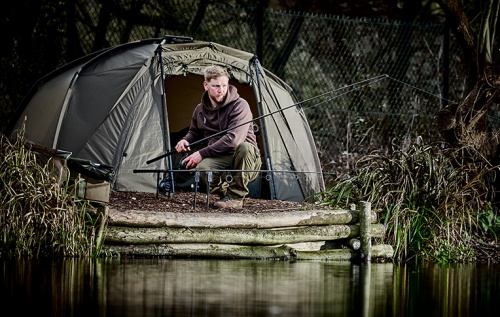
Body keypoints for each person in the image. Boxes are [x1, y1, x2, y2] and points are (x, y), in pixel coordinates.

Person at [175, 65, 262, 208]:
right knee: (202, 167)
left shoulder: (240, 106)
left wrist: (202, 153)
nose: (221, 90)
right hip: (220, 156)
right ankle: (224, 195)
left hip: (246, 158)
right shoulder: (200, 110)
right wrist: (185, 140)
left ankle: (236, 198)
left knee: (244, 147)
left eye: (224, 85)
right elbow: (194, 132)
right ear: (206, 85)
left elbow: (234, 140)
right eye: (216, 86)